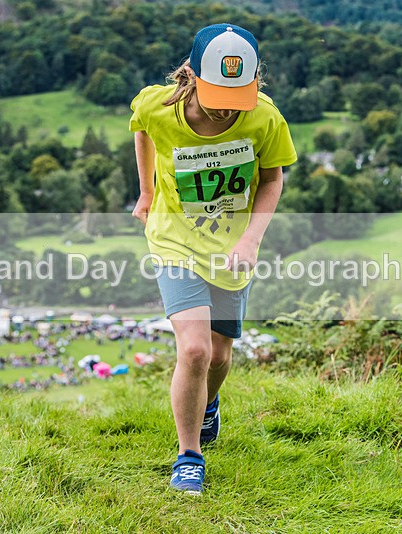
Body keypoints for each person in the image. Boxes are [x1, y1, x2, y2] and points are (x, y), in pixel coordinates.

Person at [130, 23, 297, 494]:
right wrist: (146, 191)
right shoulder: (159, 106)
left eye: (237, 94)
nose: (227, 105)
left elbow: (272, 179)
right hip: (174, 241)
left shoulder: (264, 117)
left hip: (231, 250)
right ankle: (189, 456)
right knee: (196, 350)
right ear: (191, 76)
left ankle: (207, 405)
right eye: (217, 92)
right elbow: (140, 128)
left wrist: (251, 240)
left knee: (220, 355)